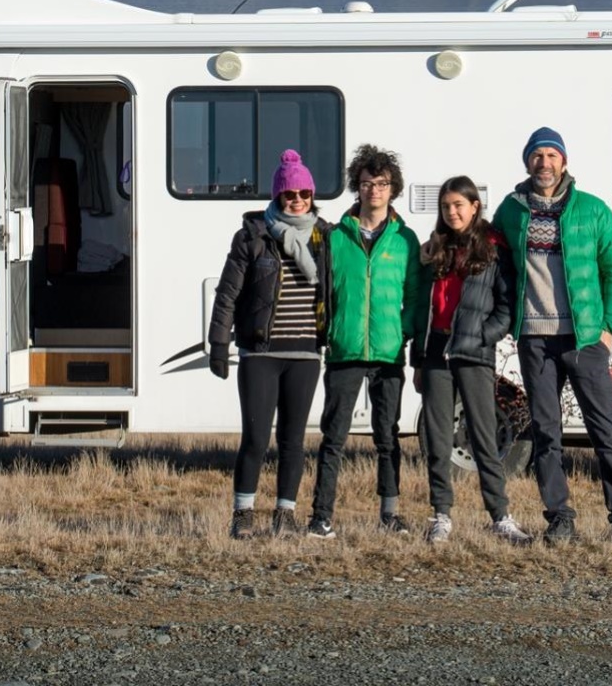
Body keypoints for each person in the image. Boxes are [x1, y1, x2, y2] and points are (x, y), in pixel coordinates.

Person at [492, 127, 612, 546]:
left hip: (584, 338)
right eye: (536, 155)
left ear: (564, 162)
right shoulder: (511, 212)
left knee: (605, 431)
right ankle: (559, 518)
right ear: (526, 161)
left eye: (551, 155)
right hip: (535, 338)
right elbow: (497, 266)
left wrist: (609, 328)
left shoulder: (592, 210)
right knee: (547, 433)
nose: (543, 163)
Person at [207, 149, 329, 540]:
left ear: (312, 196)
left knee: (293, 441)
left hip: (306, 353)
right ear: (277, 198)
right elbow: (228, 294)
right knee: (256, 438)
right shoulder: (252, 236)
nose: (297, 201)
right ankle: (243, 515)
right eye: (289, 195)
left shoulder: (323, 237)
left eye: (303, 194)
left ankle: (285, 515)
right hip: (261, 352)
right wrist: (218, 343)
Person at [306, 143, 422, 538]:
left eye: (383, 183)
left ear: (393, 189)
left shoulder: (405, 240)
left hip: (389, 352)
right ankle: (321, 517)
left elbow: (415, 295)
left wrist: (403, 331)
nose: (374, 190)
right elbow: (321, 289)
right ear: (357, 186)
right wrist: (329, 330)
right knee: (333, 438)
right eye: (367, 183)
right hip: (345, 351)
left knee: (388, 437)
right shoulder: (334, 237)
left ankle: (389, 515)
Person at [410, 175, 533, 545]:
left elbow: (507, 304)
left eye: (458, 205)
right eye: (446, 207)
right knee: (437, 438)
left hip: (474, 353)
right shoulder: (434, 249)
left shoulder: (493, 248)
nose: (452, 212)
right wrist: (418, 356)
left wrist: (484, 335)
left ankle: (500, 516)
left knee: (483, 436)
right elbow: (422, 307)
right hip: (435, 352)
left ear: (475, 206)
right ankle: (441, 515)